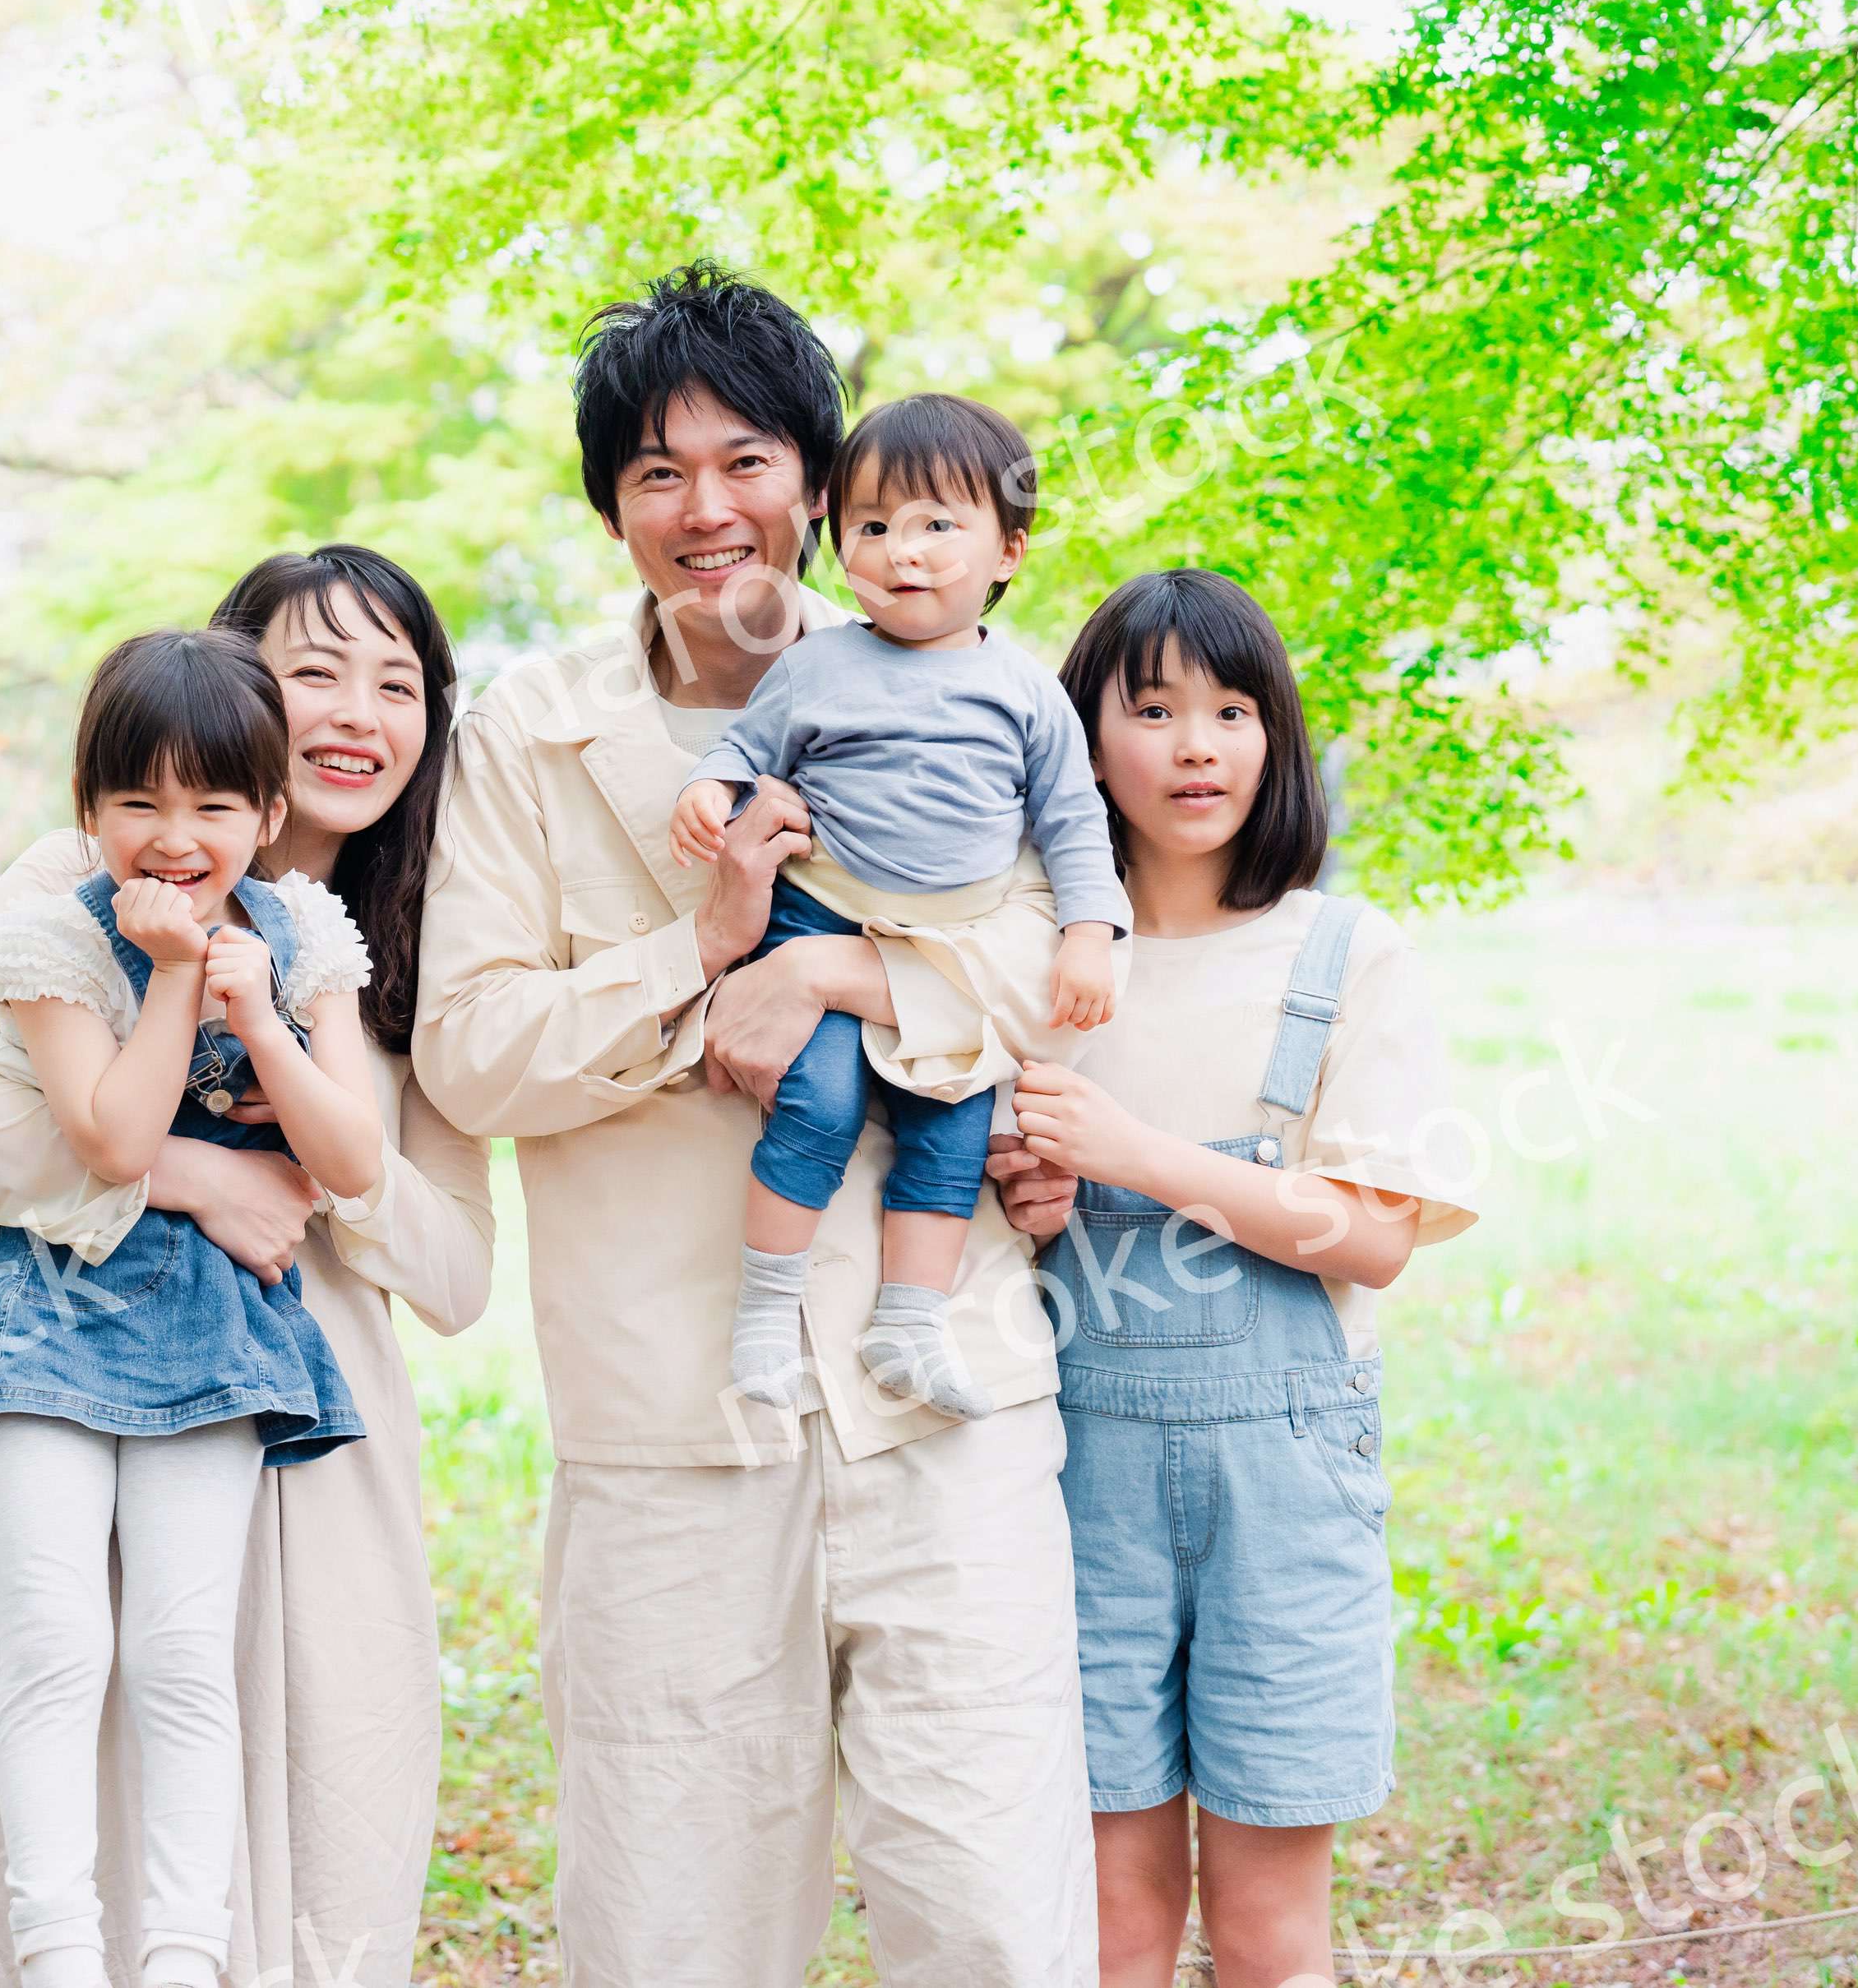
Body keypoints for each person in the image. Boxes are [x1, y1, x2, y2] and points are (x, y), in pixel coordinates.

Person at [411, 262, 1098, 1986]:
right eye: (654, 473)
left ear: (819, 475)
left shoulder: (979, 682)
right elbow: (474, 1052)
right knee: (669, 1924)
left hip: (947, 1392)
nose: (704, 509)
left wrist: (842, 979)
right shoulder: (530, 735)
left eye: (743, 462)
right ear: (609, 507)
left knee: (994, 1908)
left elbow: (1061, 957)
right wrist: (702, 963)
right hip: (667, 1416)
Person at [0, 547, 492, 1988]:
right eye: (313, 669)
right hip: (65, 1358)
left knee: (310, 1829)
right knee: (53, 1730)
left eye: (395, 682)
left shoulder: (396, 945)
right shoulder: (83, 879)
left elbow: (457, 1273)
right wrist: (194, 1170)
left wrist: (321, 1171)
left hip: (306, 1415)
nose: (354, 712)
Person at [991, 570, 1479, 1988]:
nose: (1196, 744)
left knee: (1269, 1936)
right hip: (1079, 1471)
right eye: (1151, 710)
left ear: (1276, 740)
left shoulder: (1342, 949)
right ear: (1084, 744)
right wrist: (1037, 1201)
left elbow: (1377, 1235)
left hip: (1287, 1485)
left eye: (1231, 709)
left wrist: (1139, 1153)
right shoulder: (1039, 964)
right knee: (1114, 1928)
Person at [0, 625, 377, 1988]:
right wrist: (183, 972)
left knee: (187, 1650)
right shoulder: (48, 941)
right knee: (60, 1640)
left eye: (211, 802)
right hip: (50, 1327)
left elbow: (354, 1159)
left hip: (217, 1331)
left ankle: (186, 1955)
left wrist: (261, 1018)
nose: (172, 835)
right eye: (137, 799)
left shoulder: (305, 931)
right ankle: (58, 1951)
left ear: (268, 809)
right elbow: (117, 1142)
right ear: (90, 809)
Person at [671, 391, 1128, 1422]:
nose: (901, 551)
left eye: (936, 526)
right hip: (819, 920)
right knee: (818, 1106)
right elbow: (743, 751)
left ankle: (909, 1324)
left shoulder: (1023, 692)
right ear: (839, 545)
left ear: (1007, 551)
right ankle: (763, 1319)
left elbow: (1073, 829)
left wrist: (1090, 935)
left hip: (951, 949)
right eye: (872, 527)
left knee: (951, 1129)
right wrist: (709, 791)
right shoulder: (817, 665)